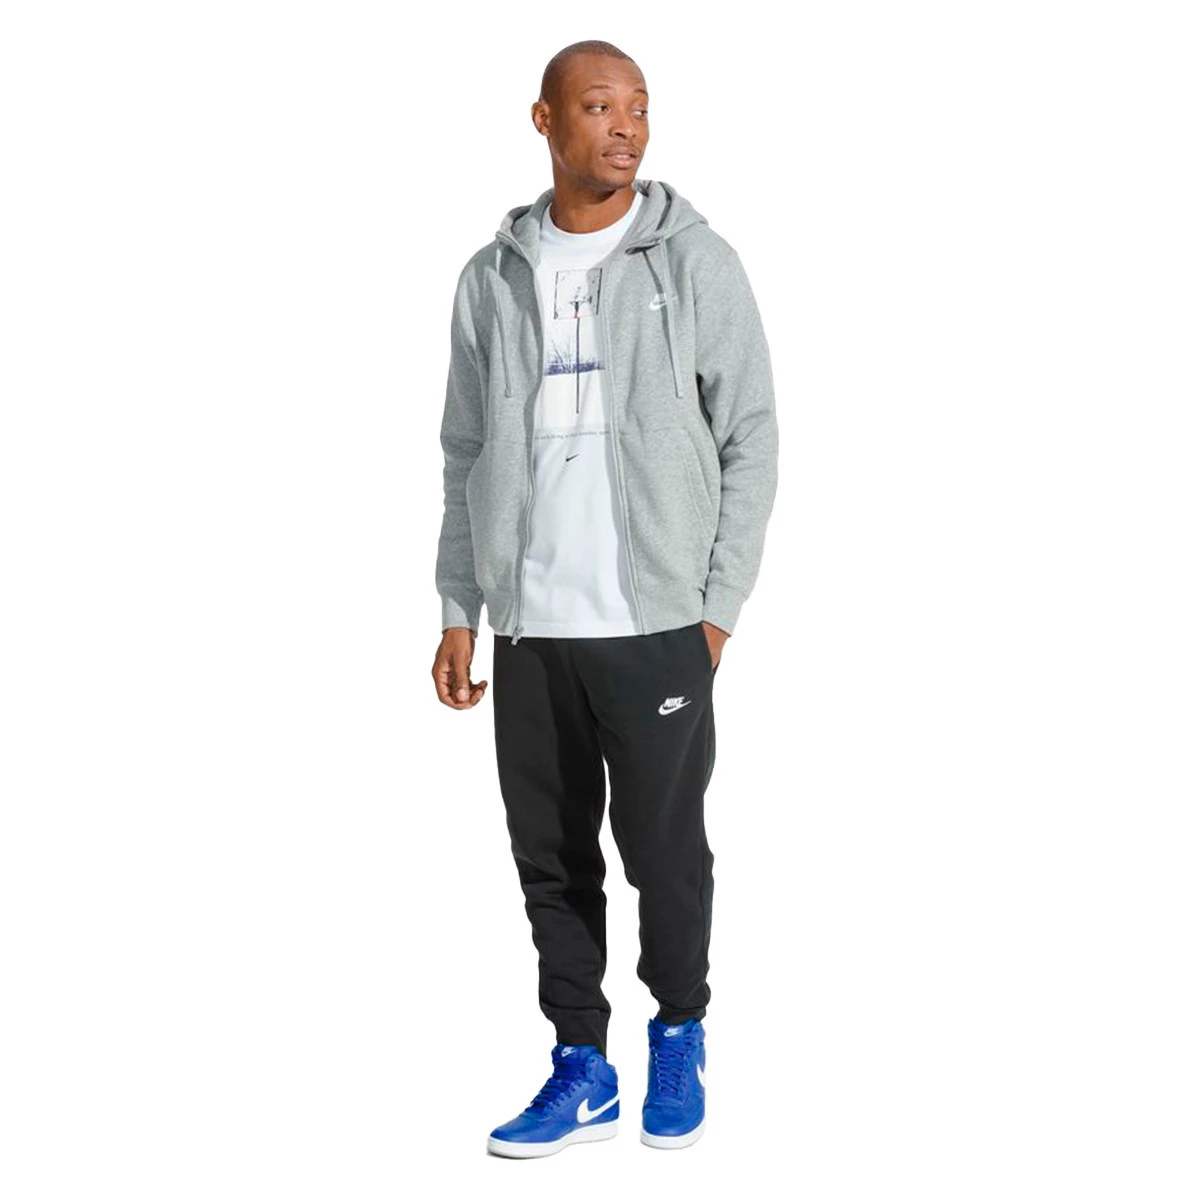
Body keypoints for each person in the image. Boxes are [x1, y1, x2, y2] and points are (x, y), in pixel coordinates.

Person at [432, 40, 778, 1157]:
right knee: (550, 857)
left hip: (658, 626)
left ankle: (680, 1030)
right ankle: (581, 1064)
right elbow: (465, 449)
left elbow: (751, 435)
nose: (626, 126)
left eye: (639, 107)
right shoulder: (492, 276)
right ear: (545, 120)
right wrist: (460, 606)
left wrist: (715, 609)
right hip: (533, 627)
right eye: (598, 106)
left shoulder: (695, 261)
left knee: (664, 852)